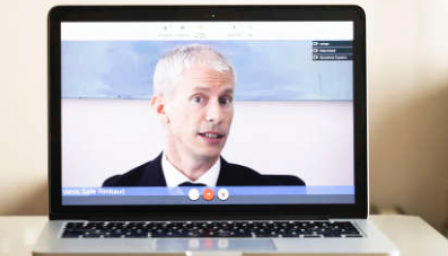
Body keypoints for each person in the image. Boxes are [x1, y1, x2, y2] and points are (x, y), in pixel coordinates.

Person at [102, 44, 305, 188]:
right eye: (198, 99)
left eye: (225, 100)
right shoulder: (120, 190)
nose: (216, 116)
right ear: (162, 109)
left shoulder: (272, 192)